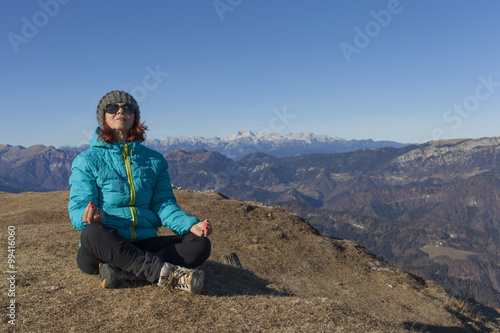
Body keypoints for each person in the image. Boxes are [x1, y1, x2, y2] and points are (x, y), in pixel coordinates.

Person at [68, 90, 212, 294]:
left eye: (128, 107)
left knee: (199, 244)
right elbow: (78, 204)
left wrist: (189, 225)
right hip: (106, 243)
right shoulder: (87, 160)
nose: (120, 111)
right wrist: (87, 217)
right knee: (91, 232)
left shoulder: (154, 160)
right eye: (113, 107)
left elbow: (163, 204)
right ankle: (167, 274)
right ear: (103, 117)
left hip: (144, 242)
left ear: (135, 116)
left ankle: (122, 271)